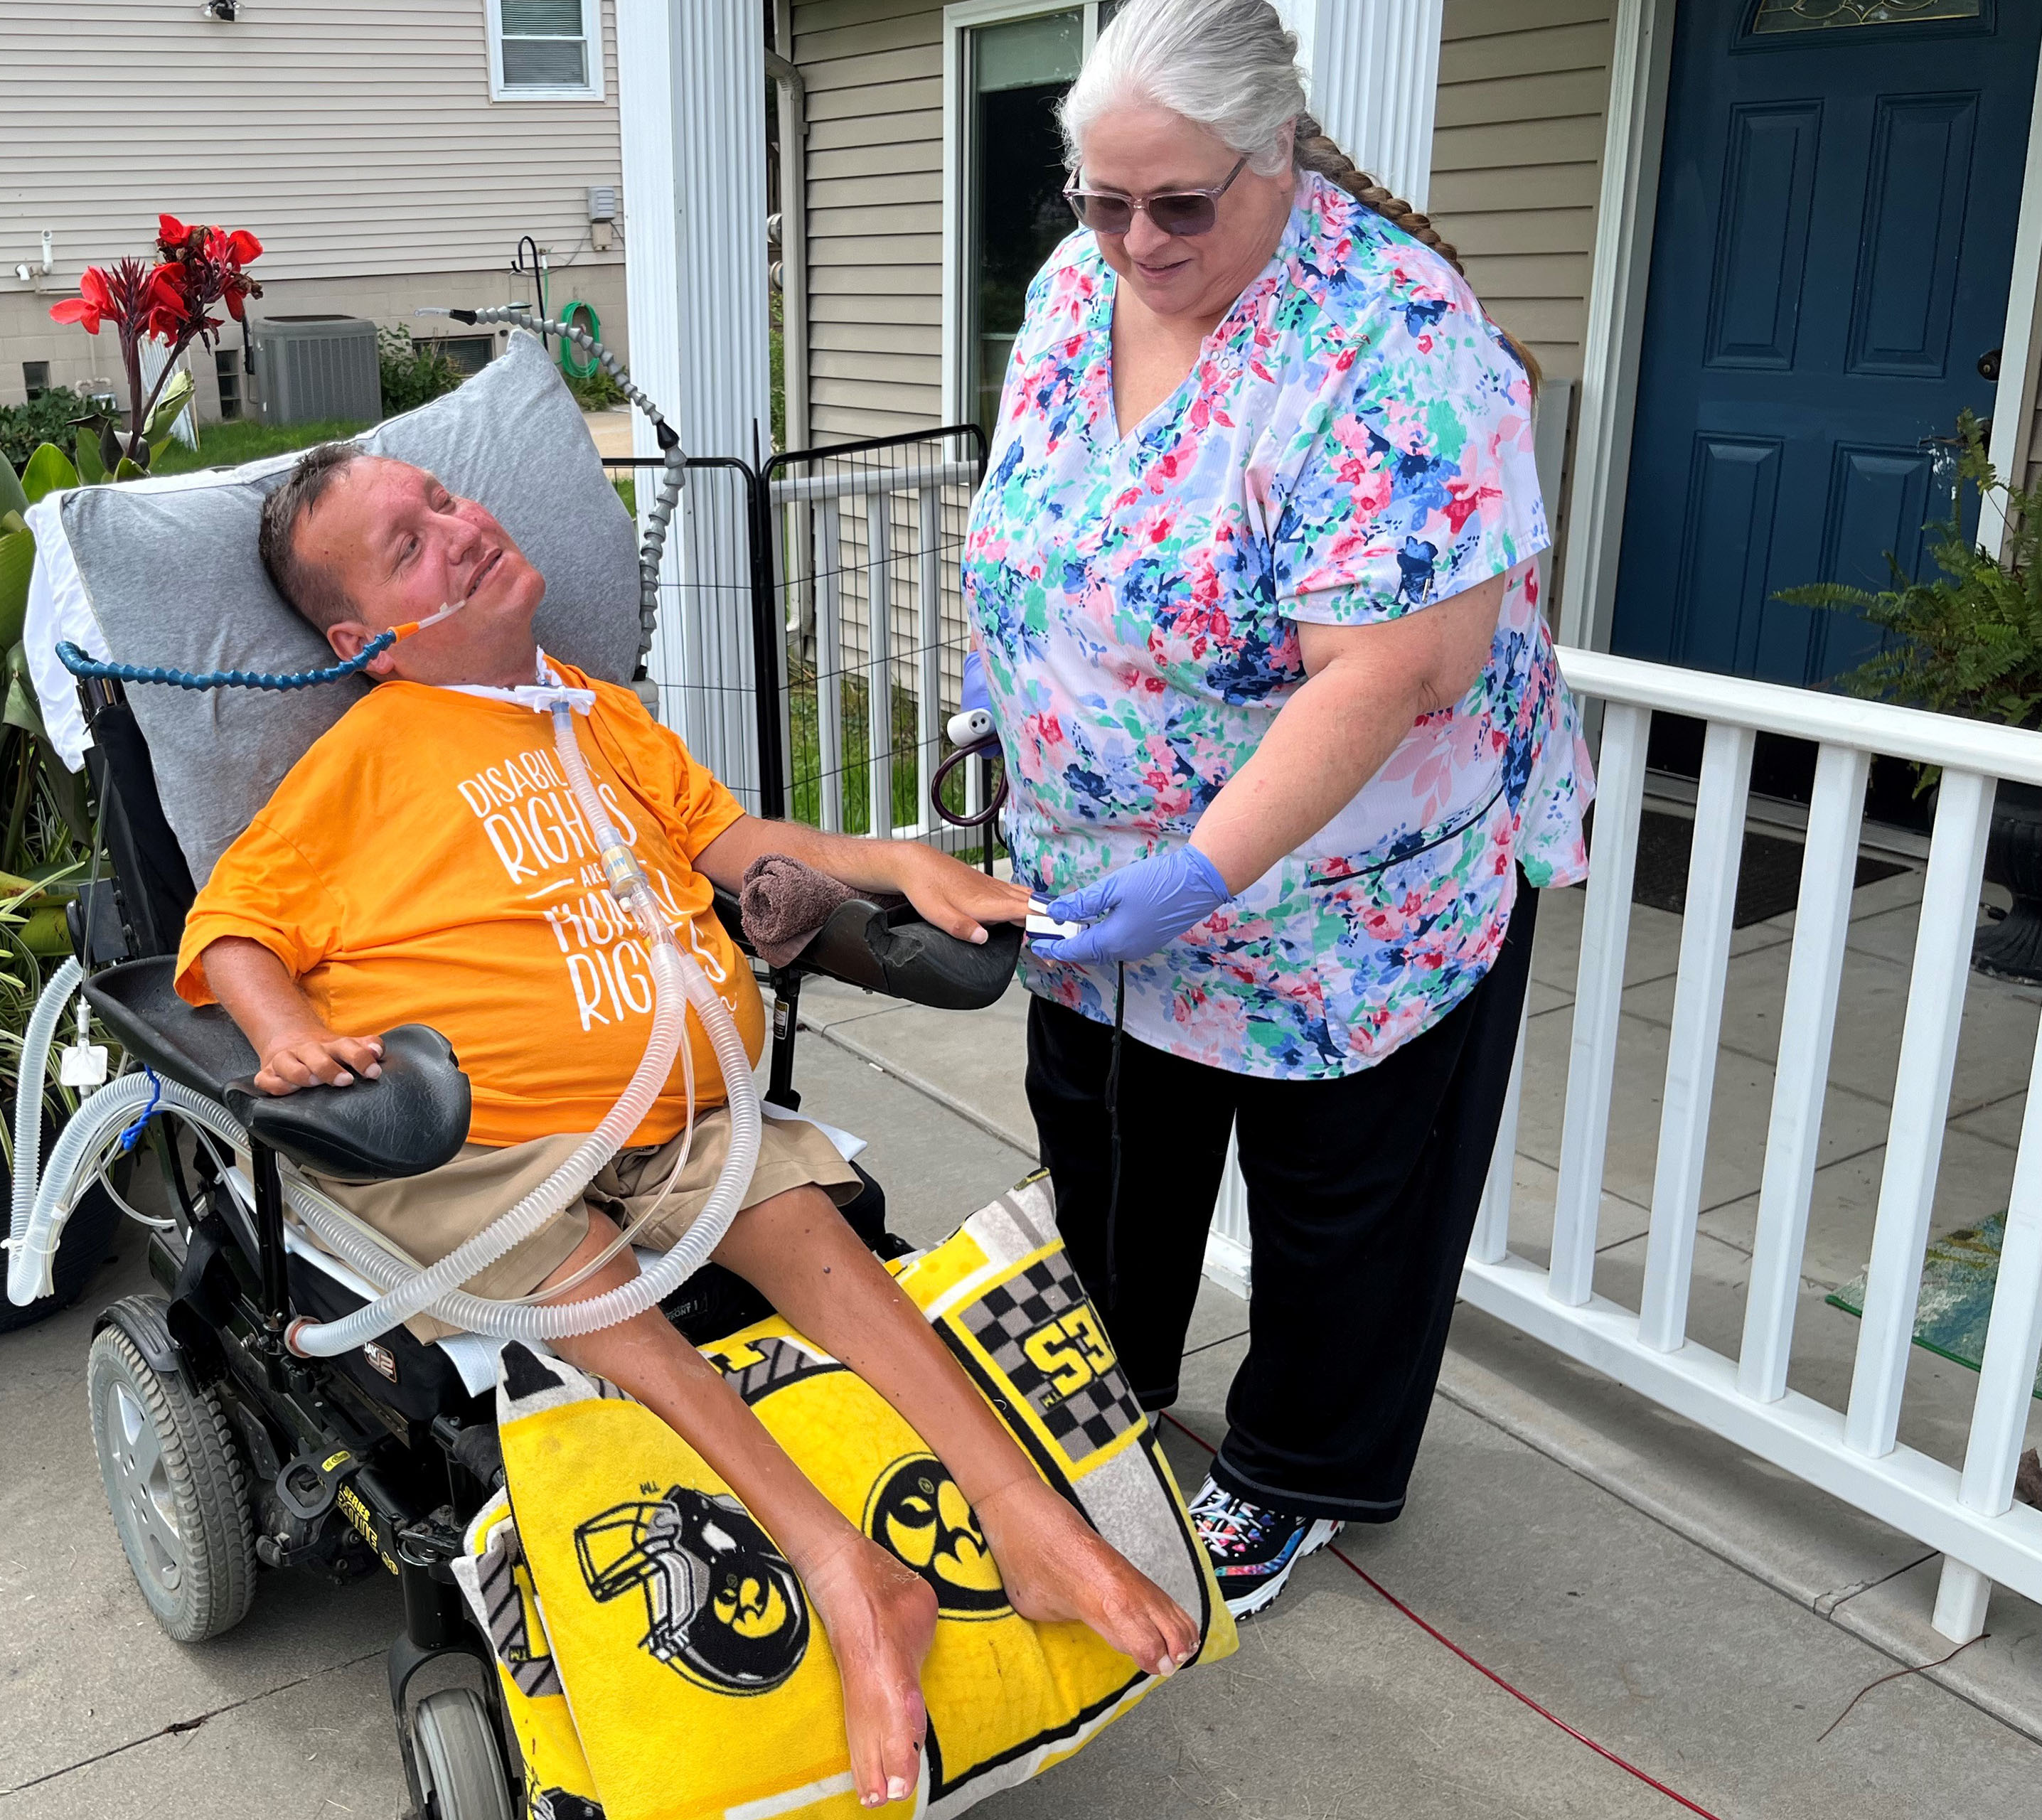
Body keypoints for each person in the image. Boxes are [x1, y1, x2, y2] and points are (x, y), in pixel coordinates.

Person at [176, 444, 1201, 1807]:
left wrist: (893, 861)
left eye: (441, 498)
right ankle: (841, 1568)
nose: (455, 524)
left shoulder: (596, 713)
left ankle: (1018, 1508)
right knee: (574, 1257)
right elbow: (233, 922)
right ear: (370, 644)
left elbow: (732, 842)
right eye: (408, 544)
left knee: (784, 1205)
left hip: (679, 1111)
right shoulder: (372, 757)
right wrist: (283, 1028)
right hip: (491, 1144)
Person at [961, 0, 1593, 1620]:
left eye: (1182, 202)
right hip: (1103, 875)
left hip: (1347, 892)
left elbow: (1391, 671)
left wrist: (1201, 865)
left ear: (1284, 153)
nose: (1138, 239)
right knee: (1108, 1149)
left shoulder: (1392, 337)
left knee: (1338, 1198)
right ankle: (1106, 1402)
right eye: (1103, 201)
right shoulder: (1070, 288)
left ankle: (1297, 1470)